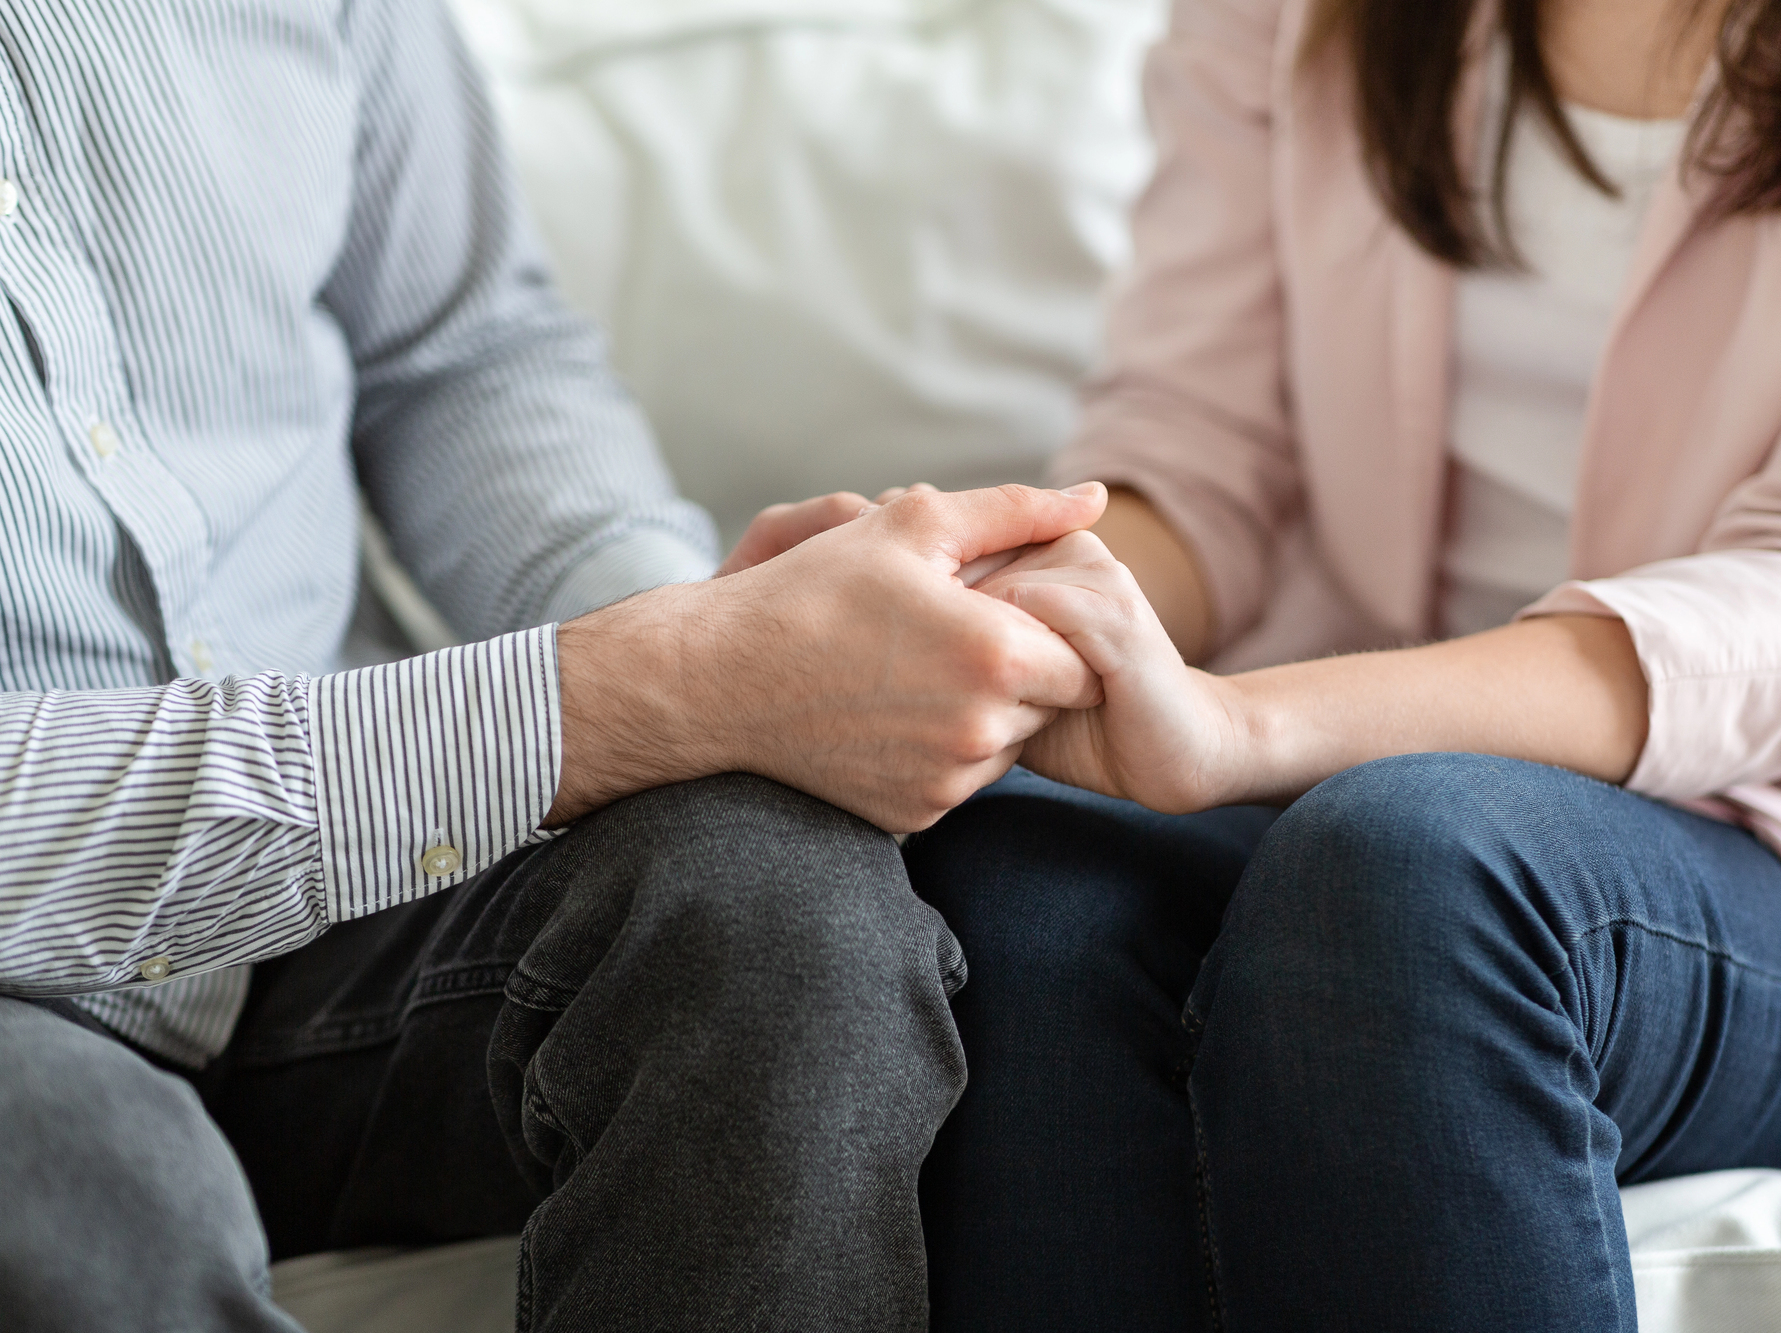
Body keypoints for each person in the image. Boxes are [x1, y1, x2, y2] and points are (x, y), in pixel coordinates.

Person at [0, 3, 1110, 1330]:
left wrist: (709, 641)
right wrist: (650, 683)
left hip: (341, 906)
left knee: (771, 893)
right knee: (82, 1180)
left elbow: (459, 354)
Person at [906, 0, 1781, 1327]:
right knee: (1018, 880)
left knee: (1411, 878)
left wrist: (1240, 726)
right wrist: (978, 590)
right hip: (1350, 773)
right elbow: (1200, 455)